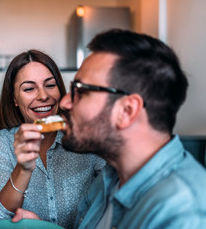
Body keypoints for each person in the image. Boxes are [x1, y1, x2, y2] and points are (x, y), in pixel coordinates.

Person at [12, 30, 206, 228]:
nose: (64, 102)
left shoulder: (184, 213)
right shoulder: (108, 179)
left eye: (81, 92)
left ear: (127, 111)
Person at [0, 49, 105, 228]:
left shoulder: (84, 136)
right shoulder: (5, 142)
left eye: (50, 85)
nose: (43, 96)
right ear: (15, 100)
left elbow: (117, 190)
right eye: (29, 88)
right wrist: (23, 168)